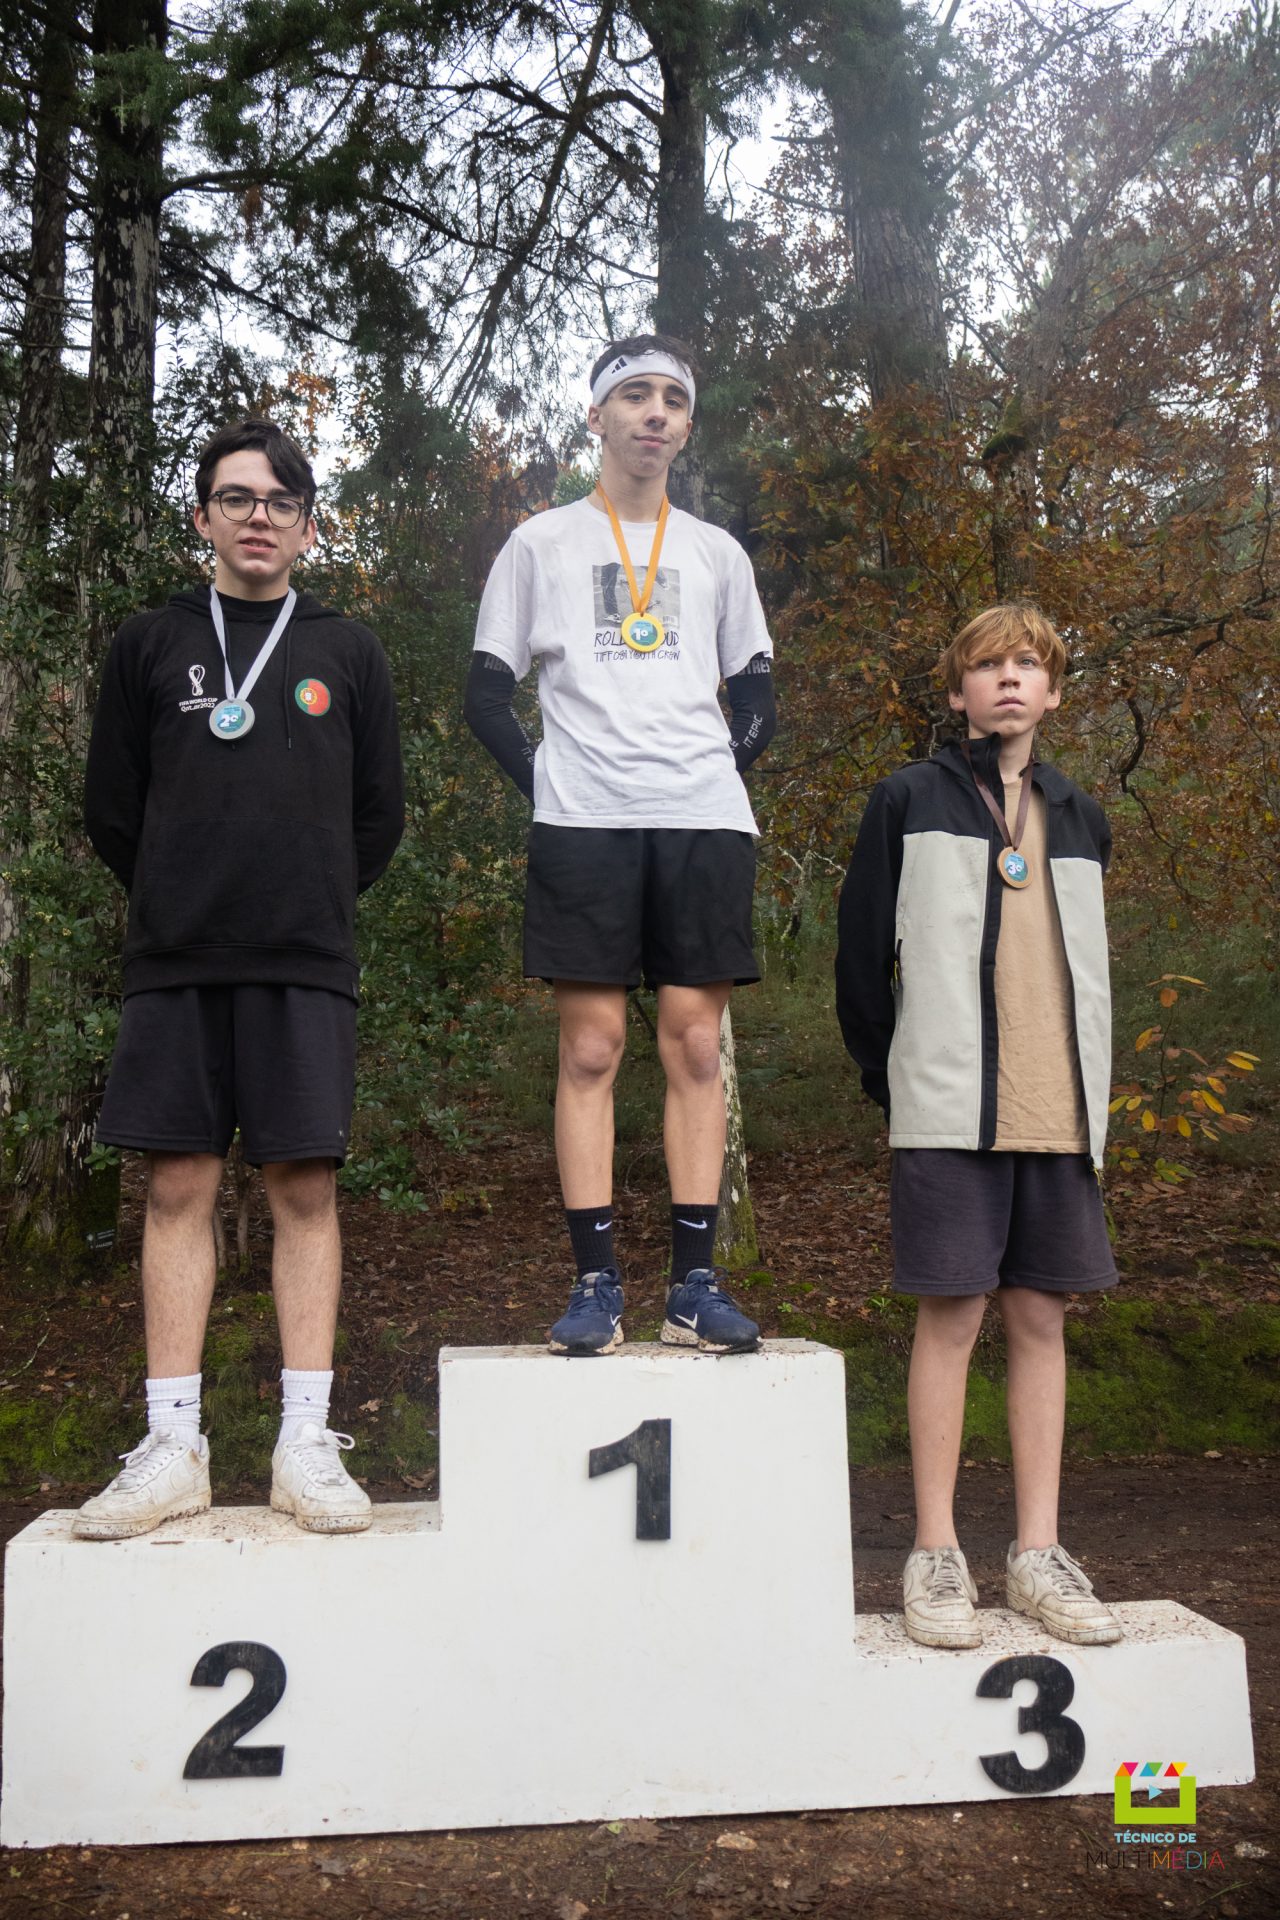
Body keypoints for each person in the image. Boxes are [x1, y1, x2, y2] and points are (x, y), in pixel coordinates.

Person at [77, 419, 404, 1539]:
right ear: (204, 517)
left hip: (302, 959)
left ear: (307, 526)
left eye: (279, 501)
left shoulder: (348, 650)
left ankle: (304, 1443)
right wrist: (182, 892)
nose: (258, 516)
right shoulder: (149, 642)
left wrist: (306, 898)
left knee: (303, 1191)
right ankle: (173, 1446)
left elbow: (378, 818)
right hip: (175, 958)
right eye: (236, 498)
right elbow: (112, 809)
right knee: (175, 1188)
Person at [465, 335, 776, 1355]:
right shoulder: (539, 543)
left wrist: (712, 773)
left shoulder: (717, 552)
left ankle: (693, 1288)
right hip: (583, 827)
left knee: (694, 1044)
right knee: (591, 1046)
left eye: (672, 400)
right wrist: (555, 789)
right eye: (634, 396)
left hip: (702, 823)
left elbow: (759, 700)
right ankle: (595, 1285)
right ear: (596, 416)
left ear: (686, 424)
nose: (654, 414)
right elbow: (485, 695)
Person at [835, 603, 1122, 1647]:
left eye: (1027, 664)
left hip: (1058, 1110)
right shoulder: (906, 799)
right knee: (951, 1317)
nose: (1008, 678)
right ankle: (935, 1553)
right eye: (987, 665)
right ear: (957, 691)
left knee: (1040, 1319)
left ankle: (1037, 1554)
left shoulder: (1081, 815)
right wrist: (900, 1081)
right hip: (948, 1108)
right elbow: (858, 961)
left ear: (1052, 691)